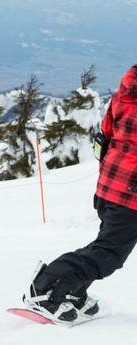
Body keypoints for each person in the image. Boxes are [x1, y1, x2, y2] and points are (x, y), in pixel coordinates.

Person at [24, 65, 137, 322]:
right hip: (128, 195)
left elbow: (105, 136)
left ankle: (73, 291)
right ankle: (45, 288)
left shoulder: (126, 94)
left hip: (110, 187)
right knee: (109, 255)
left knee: (104, 248)